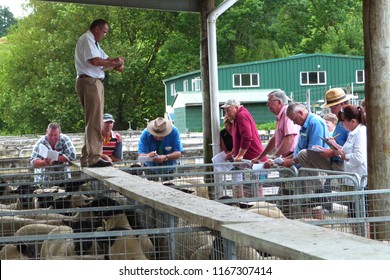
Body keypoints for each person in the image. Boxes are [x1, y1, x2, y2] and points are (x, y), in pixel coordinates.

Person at [75, 19, 125, 168]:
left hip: (92, 81)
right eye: (104, 32)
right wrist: (114, 63)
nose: (104, 35)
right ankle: (94, 157)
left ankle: (86, 156)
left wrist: (116, 63)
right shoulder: (88, 39)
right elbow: (95, 61)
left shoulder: (94, 43)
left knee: (92, 120)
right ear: (96, 29)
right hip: (89, 81)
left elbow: (105, 60)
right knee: (96, 121)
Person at [221, 99, 267, 198]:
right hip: (249, 160)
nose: (226, 113)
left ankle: (258, 210)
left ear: (236, 107)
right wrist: (233, 152)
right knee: (249, 189)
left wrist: (240, 155)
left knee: (257, 188)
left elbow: (247, 137)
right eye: (225, 111)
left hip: (253, 159)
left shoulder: (242, 116)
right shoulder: (238, 118)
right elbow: (239, 139)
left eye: (228, 110)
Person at [251, 90, 300, 167]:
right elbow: (274, 139)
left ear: (279, 102)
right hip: (284, 157)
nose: (267, 104)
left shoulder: (287, 113)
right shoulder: (279, 116)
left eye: (270, 101)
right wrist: (260, 157)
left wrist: (274, 158)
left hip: (291, 157)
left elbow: (289, 138)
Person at [138, 117, 183, 182]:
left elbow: (178, 153)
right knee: (151, 188)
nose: (158, 137)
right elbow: (141, 155)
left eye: (161, 135)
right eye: (155, 135)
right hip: (150, 167)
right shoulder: (145, 134)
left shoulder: (174, 131)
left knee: (170, 188)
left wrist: (165, 157)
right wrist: (149, 155)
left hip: (169, 168)